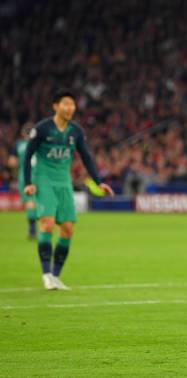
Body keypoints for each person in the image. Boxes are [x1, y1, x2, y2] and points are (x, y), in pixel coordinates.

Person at [24, 90, 114, 290]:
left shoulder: (76, 131)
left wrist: (98, 182)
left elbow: (86, 157)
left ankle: (56, 276)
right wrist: (28, 183)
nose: (70, 108)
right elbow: (27, 157)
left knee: (68, 229)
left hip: (64, 181)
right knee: (47, 223)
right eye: (65, 104)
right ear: (55, 106)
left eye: (72, 104)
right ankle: (46, 274)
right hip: (44, 179)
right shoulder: (41, 129)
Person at [8, 122, 37, 239]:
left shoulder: (18, 145)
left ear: (22, 133)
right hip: (40, 175)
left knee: (30, 202)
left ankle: (32, 229)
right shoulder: (38, 144)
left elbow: (12, 162)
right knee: (37, 202)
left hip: (25, 176)